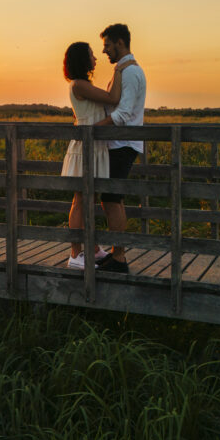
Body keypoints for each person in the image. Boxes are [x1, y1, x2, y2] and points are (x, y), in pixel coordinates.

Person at [60, 41, 136, 270]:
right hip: (85, 146)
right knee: (81, 200)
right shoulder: (79, 84)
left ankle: (92, 250)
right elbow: (113, 99)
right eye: (92, 55)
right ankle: (75, 254)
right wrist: (120, 69)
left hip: (94, 146)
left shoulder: (84, 84)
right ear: (83, 60)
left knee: (89, 199)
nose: (96, 58)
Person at [94, 23, 146, 274]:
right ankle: (117, 254)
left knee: (112, 198)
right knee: (113, 199)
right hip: (119, 142)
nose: (104, 51)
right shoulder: (123, 70)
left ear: (120, 43)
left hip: (124, 142)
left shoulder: (131, 73)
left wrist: (93, 129)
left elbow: (124, 113)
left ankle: (120, 258)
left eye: (107, 45)